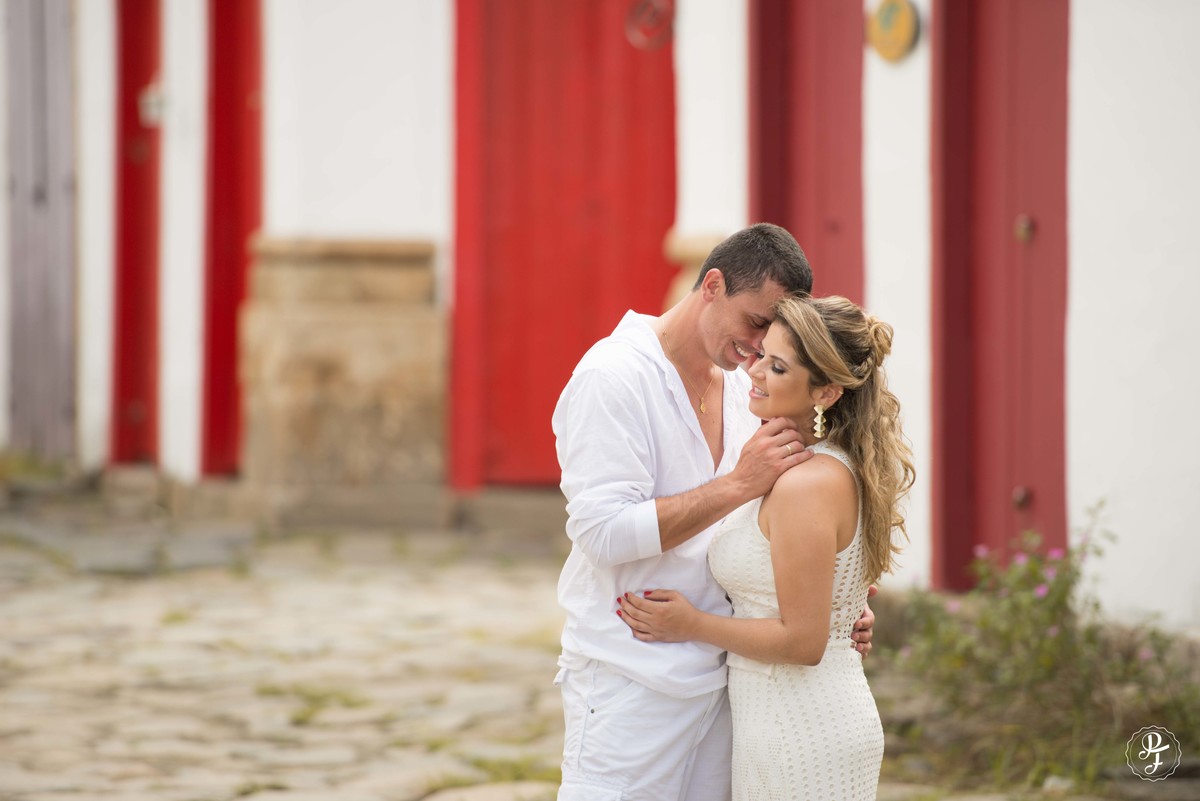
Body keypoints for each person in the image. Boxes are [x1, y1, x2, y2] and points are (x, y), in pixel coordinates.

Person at [551, 224, 875, 801]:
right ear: (713, 284)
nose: (758, 349)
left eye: (772, 339)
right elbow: (600, 534)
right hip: (633, 680)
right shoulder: (614, 378)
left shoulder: (745, 387)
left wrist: (841, 603)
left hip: (733, 690)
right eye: (755, 323)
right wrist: (736, 485)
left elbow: (802, 515)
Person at [617, 294, 915, 800]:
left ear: (825, 391)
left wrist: (690, 625)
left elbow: (803, 642)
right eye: (761, 356)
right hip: (774, 719)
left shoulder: (808, 483)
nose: (752, 372)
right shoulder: (804, 465)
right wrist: (848, 612)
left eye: (776, 367)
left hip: (804, 728)